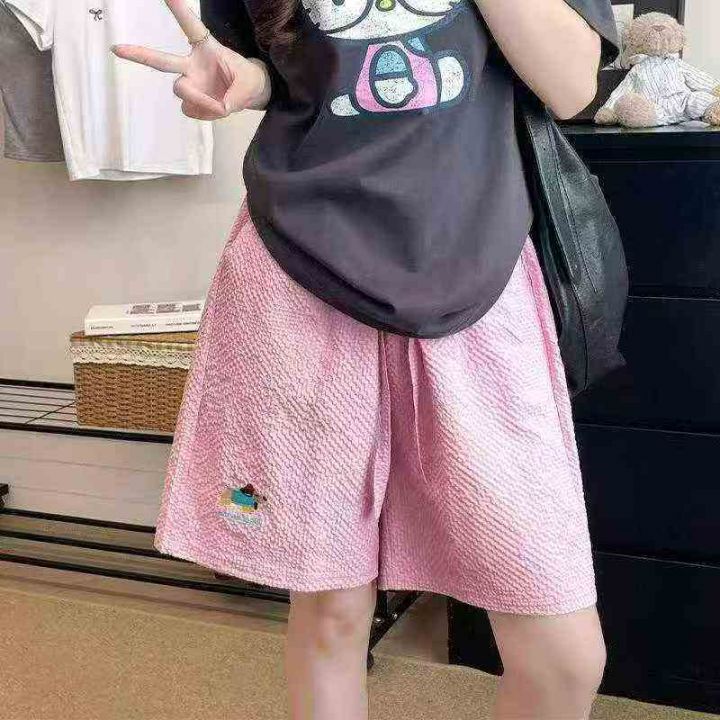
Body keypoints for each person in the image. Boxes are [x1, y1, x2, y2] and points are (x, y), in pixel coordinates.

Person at [113, 0, 619, 717]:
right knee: (331, 610)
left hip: (474, 280)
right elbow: (289, 70)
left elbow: (570, 84)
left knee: (564, 654)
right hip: (299, 271)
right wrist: (251, 81)